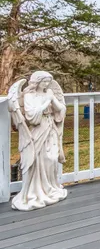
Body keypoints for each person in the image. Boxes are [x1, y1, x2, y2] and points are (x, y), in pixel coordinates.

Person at [11, 71, 67, 211]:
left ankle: (50, 187)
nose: (46, 84)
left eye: (48, 81)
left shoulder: (49, 93)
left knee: (52, 158)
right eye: (44, 81)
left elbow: (61, 109)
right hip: (39, 128)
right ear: (37, 82)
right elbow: (32, 116)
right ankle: (35, 190)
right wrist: (47, 101)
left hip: (51, 127)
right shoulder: (29, 95)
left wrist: (52, 99)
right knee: (37, 159)